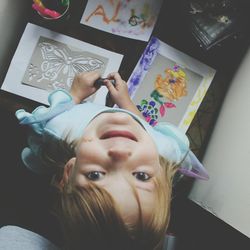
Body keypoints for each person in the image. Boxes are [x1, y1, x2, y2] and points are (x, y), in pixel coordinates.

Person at [16, 71, 209, 250]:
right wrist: (126, 103)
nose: (120, 150)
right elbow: (151, 133)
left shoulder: (60, 129)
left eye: (95, 175)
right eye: (141, 176)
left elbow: (41, 121)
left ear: (68, 172)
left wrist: (75, 95)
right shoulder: (165, 150)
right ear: (162, 175)